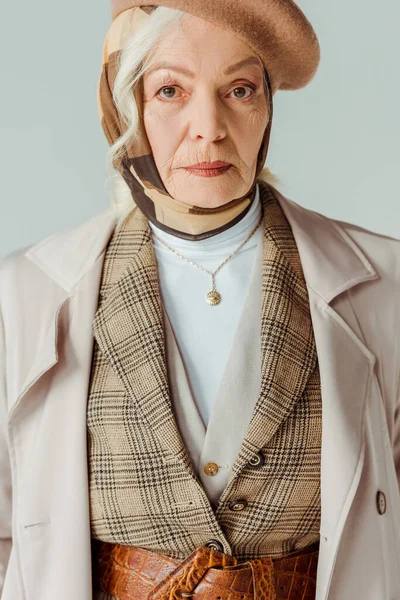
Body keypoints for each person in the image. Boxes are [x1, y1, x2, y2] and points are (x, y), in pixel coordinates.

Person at [0, 2, 399, 599]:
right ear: (123, 108)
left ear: (267, 107)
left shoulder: (383, 286)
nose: (209, 125)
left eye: (238, 89)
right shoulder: (25, 293)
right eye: (169, 91)